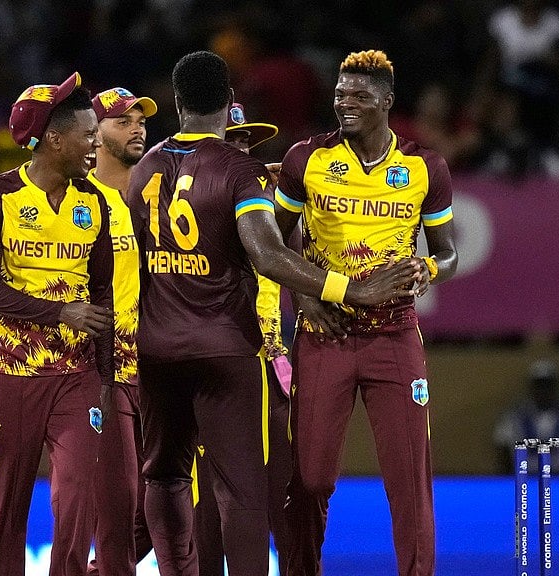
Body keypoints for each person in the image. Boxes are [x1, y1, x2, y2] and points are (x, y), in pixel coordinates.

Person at [126, 50, 422, 576]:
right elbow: (267, 254)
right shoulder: (239, 170)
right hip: (224, 348)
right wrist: (352, 290)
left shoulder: (146, 166)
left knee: (165, 477)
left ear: (176, 101)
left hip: (156, 349)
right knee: (241, 491)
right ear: (228, 102)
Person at [273, 49, 458, 576]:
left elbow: (448, 252)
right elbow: (273, 245)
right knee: (310, 478)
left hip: (394, 335)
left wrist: (430, 269)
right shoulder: (306, 159)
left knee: (409, 480)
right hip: (324, 332)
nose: (345, 103)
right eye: (339, 95)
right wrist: (306, 299)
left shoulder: (423, 167)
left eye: (358, 95)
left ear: (387, 101)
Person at [0, 72, 116, 576]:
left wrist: (106, 375)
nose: (97, 144)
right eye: (88, 135)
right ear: (54, 139)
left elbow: (102, 294)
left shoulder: (93, 202)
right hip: (11, 376)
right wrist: (61, 312)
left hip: (77, 377)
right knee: (7, 508)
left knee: (76, 496)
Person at [192, 101, 291, 576]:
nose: (243, 150)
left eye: (248, 142)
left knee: (287, 503)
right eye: (232, 141)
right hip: (214, 367)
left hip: (271, 369)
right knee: (208, 512)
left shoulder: (266, 202)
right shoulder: (184, 203)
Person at [85, 86, 158, 576]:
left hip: (160, 367)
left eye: (141, 121)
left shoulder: (158, 194)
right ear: (93, 135)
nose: (137, 129)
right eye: (122, 121)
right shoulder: (78, 200)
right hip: (103, 372)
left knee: (164, 504)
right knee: (116, 506)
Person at [493, 358, 559, 473]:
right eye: (539, 386)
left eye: (548, 386)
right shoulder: (512, 418)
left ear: (556, 387)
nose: (544, 391)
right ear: (531, 388)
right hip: (527, 479)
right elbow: (503, 455)